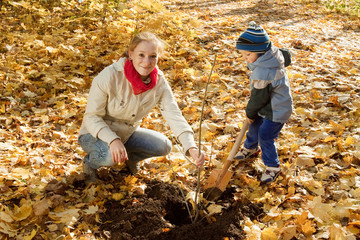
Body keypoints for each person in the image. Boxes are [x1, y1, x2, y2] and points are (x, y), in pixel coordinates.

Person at [78, 31, 205, 182]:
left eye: (153, 56)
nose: (147, 62)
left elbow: (173, 113)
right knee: (109, 157)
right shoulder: (110, 76)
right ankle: (90, 164)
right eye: (141, 55)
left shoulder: (159, 81)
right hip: (94, 134)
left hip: (126, 133)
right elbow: (91, 117)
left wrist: (191, 147)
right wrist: (112, 140)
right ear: (131, 54)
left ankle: (131, 159)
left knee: (163, 146)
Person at [234, 22, 293, 183]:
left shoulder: (264, 72)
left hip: (277, 109)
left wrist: (250, 113)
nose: (244, 59)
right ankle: (251, 148)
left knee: (265, 135)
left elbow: (258, 98)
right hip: (268, 104)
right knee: (254, 125)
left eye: (247, 55)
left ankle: (273, 167)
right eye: (242, 55)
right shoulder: (270, 57)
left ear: (259, 52)